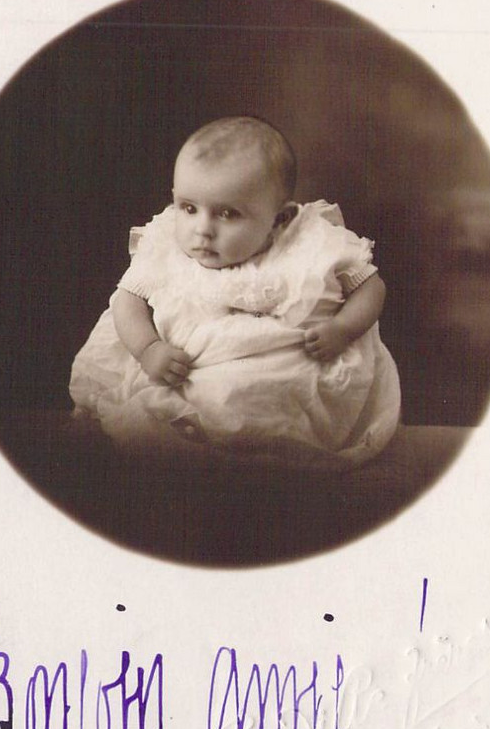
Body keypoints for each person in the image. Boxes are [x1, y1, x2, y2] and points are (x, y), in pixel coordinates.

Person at [69, 117, 400, 467]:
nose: (202, 230)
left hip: (286, 371)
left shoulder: (311, 242)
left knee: (258, 401)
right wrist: (149, 348)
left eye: (227, 214)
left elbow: (369, 285)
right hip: (188, 368)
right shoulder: (167, 246)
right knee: (159, 418)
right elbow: (127, 301)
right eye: (189, 208)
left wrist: (342, 328)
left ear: (279, 219)